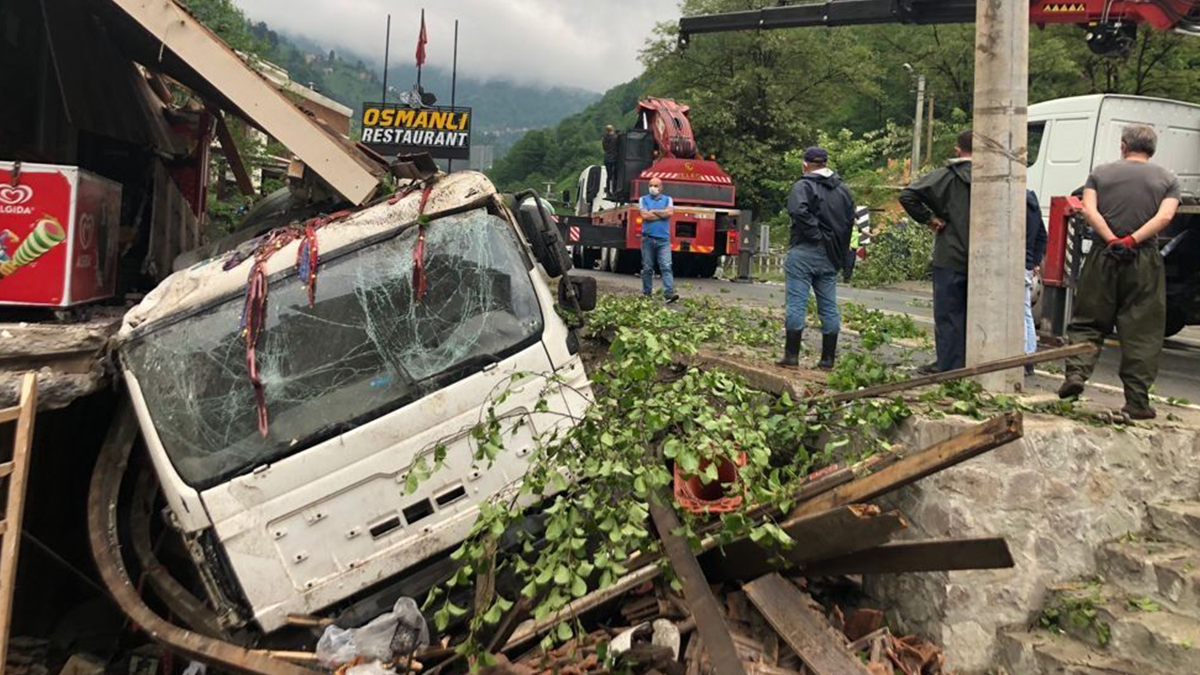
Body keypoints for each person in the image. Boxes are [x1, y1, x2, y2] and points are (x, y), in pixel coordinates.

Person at [1059, 124, 1180, 419]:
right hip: (1143, 259)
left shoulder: (1100, 174)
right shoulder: (1168, 179)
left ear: (1124, 145)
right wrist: (1132, 240)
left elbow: (1089, 210)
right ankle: (1137, 402)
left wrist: (1112, 239)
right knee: (1143, 331)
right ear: (1152, 148)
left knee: (1088, 320)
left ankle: (1076, 375)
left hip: (1104, 255)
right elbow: (1165, 216)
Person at [899, 130, 974, 373]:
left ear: (957, 150)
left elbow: (907, 194)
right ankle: (977, 362)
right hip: (987, 260)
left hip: (951, 254)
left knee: (949, 313)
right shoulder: (999, 178)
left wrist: (930, 219)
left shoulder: (946, 177)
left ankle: (949, 365)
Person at [777, 147, 855, 370]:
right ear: (826, 163)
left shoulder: (803, 186)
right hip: (831, 256)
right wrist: (838, 250)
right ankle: (827, 360)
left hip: (804, 250)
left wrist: (815, 235)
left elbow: (798, 211)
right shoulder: (844, 190)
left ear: (806, 164)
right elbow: (850, 222)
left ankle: (791, 357)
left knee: (796, 303)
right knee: (829, 306)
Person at [639, 177, 679, 302]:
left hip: (663, 240)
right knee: (647, 268)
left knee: (666, 266)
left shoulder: (668, 199)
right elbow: (645, 215)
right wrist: (662, 214)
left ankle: (669, 294)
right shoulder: (643, 199)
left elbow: (670, 213)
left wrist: (654, 211)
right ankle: (647, 294)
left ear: (661, 187)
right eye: (651, 185)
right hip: (647, 239)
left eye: (656, 186)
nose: (653, 188)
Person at [1024, 190, 1048, 376]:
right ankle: (1028, 356)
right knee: (1024, 312)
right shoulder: (1032, 201)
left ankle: (1025, 358)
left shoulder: (1012, 201)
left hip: (1012, 262)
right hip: (1026, 263)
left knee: (1019, 312)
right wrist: (1034, 261)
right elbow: (1042, 235)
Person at [603, 125, 620, 194]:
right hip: (614, 158)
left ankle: (608, 189)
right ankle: (614, 190)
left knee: (609, 175)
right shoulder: (615, 137)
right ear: (612, 129)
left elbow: (605, 148)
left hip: (607, 158)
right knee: (614, 175)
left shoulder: (604, 138)